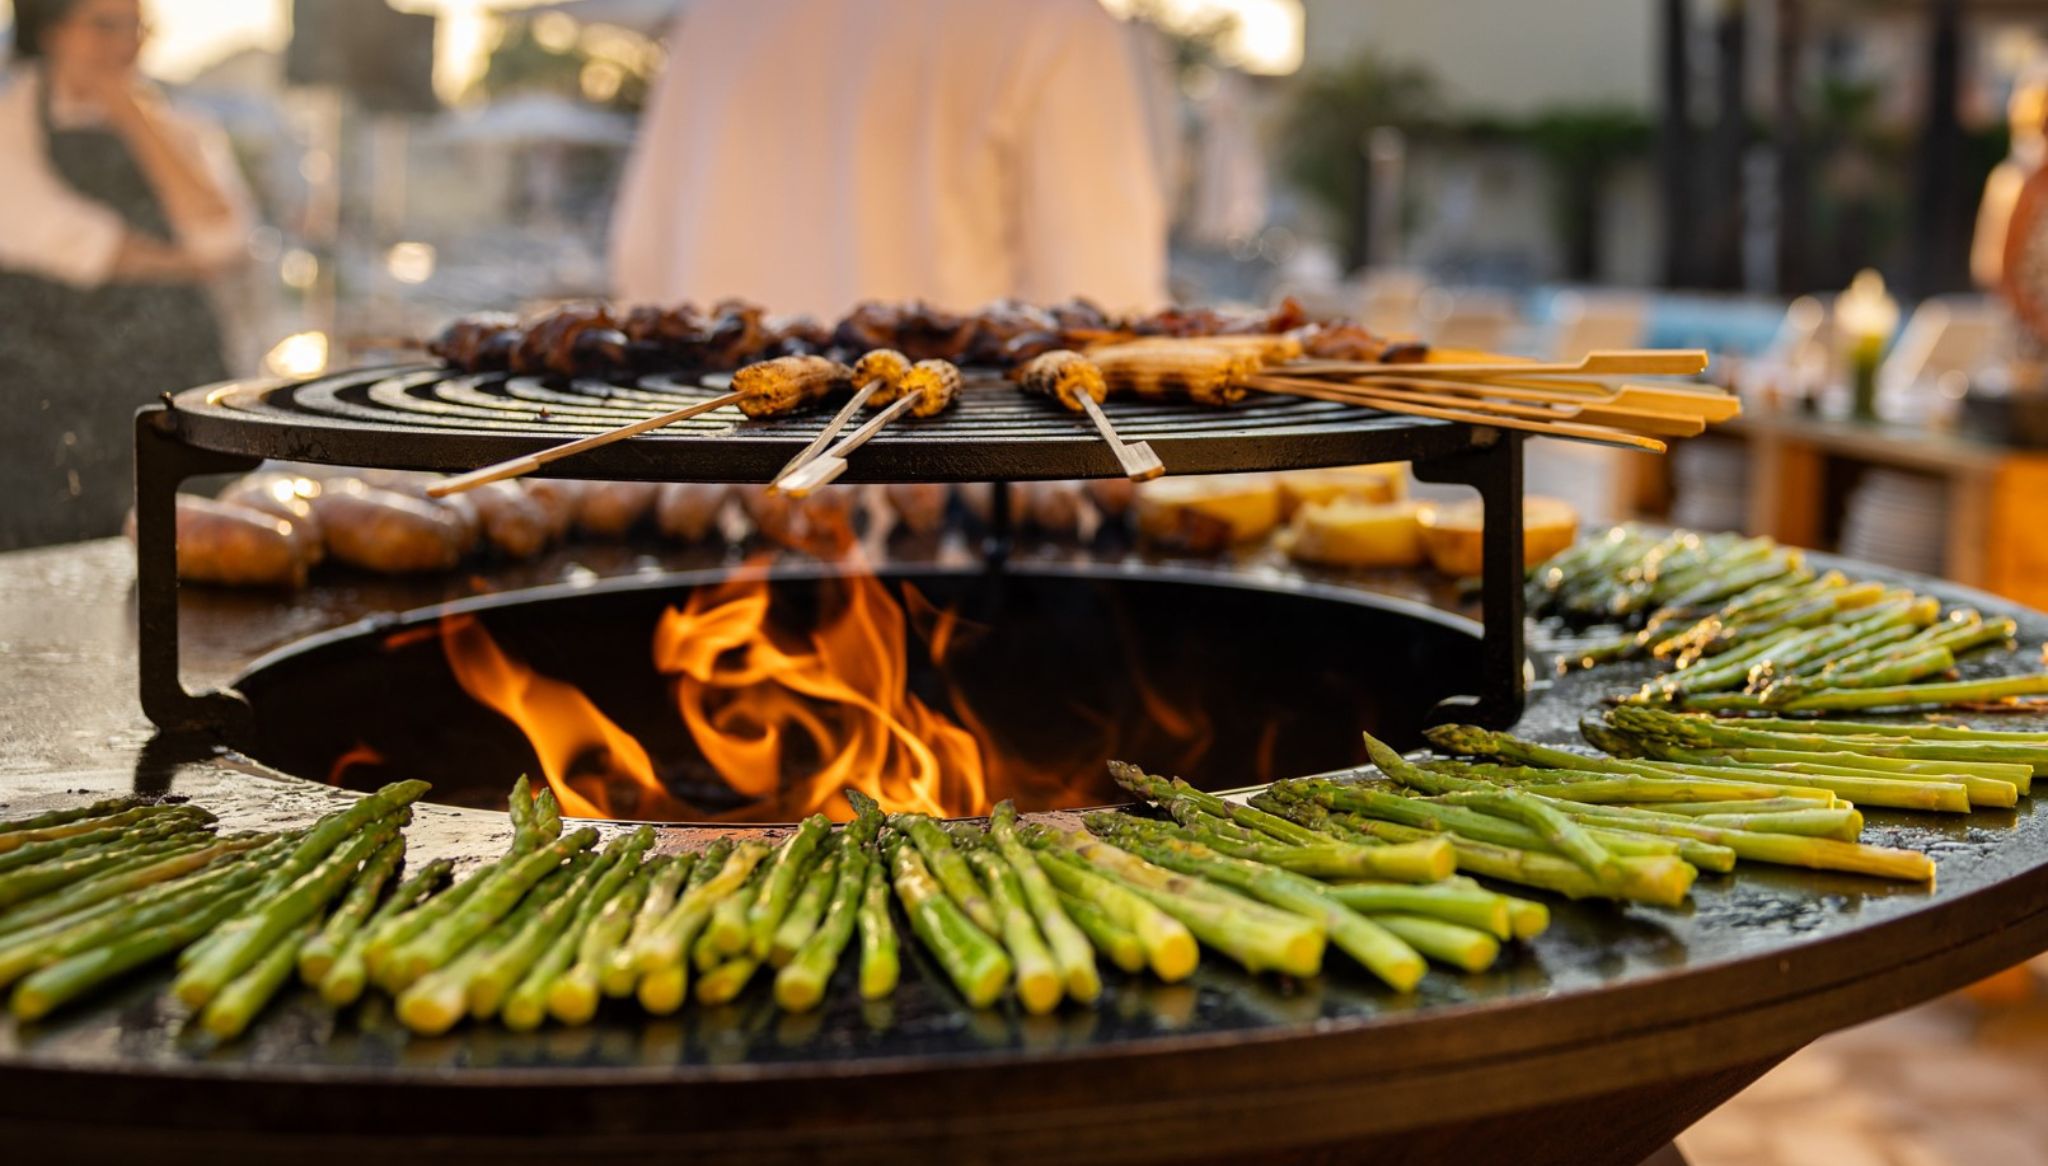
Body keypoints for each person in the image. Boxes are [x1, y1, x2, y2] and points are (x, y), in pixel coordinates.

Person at [610, 0, 1167, 321]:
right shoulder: (1056, 18)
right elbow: (1102, 311)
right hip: (949, 506)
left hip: (704, 493)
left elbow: (642, 264)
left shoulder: (715, 18)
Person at [0, 0, 254, 550]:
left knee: (195, 546)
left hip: (168, 376)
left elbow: (225, 236)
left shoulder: (177, 123)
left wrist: (135, 119)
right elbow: (80, 245)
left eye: (139, 28)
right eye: (105, 25)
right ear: (51, 30)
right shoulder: (8, 119)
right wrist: (190, 263)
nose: (128, 44)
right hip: (47, 390)